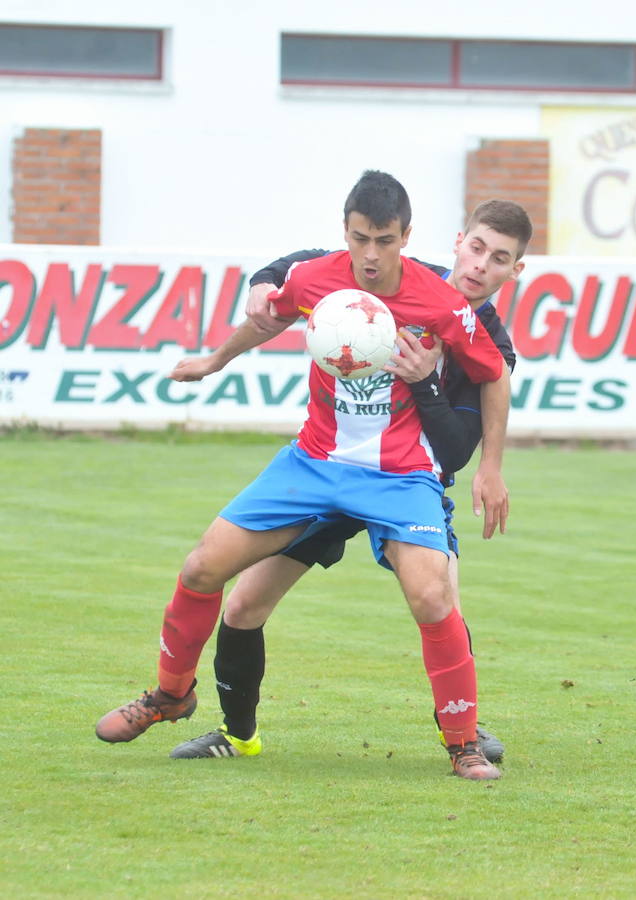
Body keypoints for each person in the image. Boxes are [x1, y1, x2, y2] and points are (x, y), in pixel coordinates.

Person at [95, 171, 512, 780]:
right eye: (360, 239)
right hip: (314, 463)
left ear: (407, 237)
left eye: (385, 242)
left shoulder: (444, 304)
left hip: (399, 475)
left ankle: (463, 742)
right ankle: (171, 695)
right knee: (203, 568)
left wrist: (492, 470)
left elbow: (494, 373)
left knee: (432, 595)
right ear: (344, 232)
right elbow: (269, 316)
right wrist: (216, 359)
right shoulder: (318, 278)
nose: (371, 256)